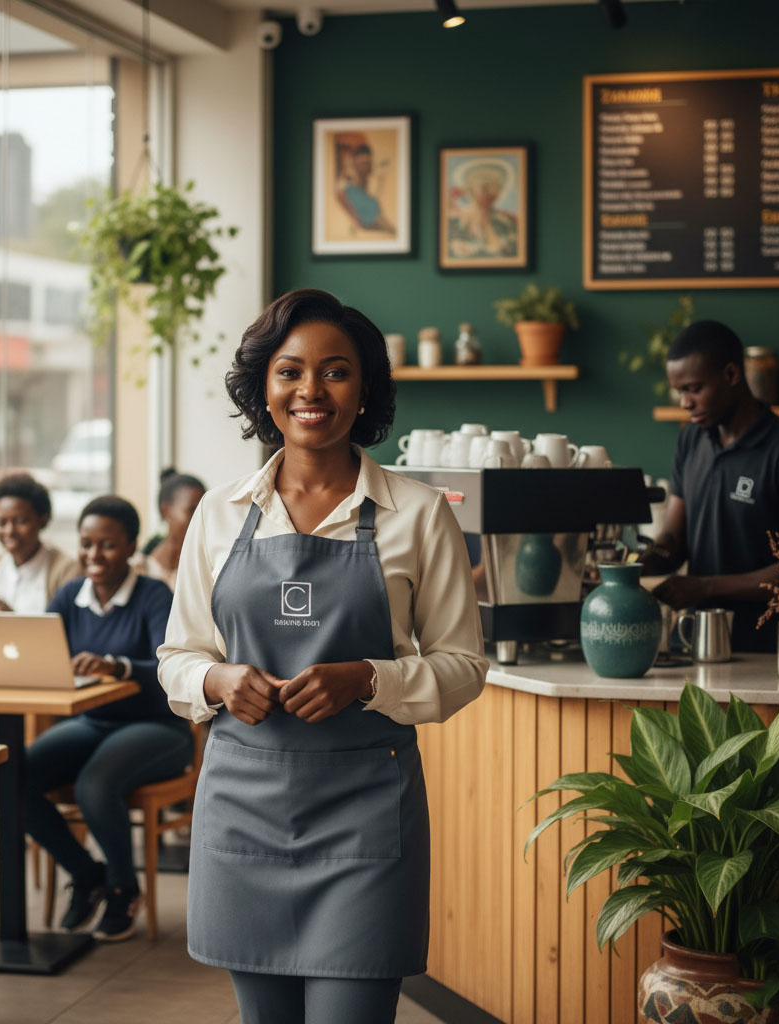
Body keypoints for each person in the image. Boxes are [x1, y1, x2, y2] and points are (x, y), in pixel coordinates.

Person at [157, 288, 487, 1024]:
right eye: (290, 371)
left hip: (365, 819)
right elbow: (178, 653)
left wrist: (369, 679)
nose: (311, 391)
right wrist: (217, 678)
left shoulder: (419, 513)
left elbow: (463, 666)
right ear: (262, 386)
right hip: (242, 807)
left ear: (364, 387)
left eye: (335, 372)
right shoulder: (220, 513)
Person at [24, 496, 192, 942]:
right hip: (92, 723)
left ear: (132, 546)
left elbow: (167, 668)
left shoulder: (154, 596)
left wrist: (115, 665)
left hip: (160, 728)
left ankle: (122, 886)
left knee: (94, 785)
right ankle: (86, 873)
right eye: (86, 544)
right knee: (12, 776)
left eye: (108, 545)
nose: (94, 555)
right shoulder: (68, 597)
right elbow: (40, 655)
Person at [643, 320, 779, 651]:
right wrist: (640, 563)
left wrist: (704, 588)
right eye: (679, 391)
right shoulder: (689, 440)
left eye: (694, 389)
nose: (685, 403)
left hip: (765, 651)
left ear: (731, 375)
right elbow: (673, 540)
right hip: (693, 640)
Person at [0, 472, 80, 612]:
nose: (9, 531)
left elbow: (65, 630)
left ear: (43, 520)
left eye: (21, 521)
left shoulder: (67, 571)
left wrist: (11, 619)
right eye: (2, 522)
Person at [136, 469, 207, 591]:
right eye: (191, 511)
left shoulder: (209, 565)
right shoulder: (141, 568)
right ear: (165, 511)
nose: (200, 519)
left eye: (203, 511)